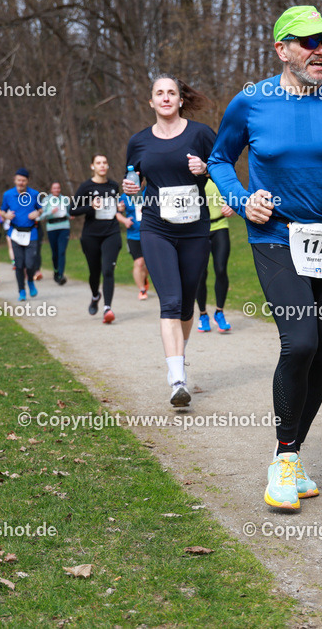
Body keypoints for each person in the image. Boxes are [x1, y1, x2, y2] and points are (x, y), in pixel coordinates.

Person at [209, 6, 322, 511]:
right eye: (308, 42)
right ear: (282, 49)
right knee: (300, 341)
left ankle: (292, 452)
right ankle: (284, 458)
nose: (320, 50)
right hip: (275, 236)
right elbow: (220, 159)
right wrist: (242, 199)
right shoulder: (251, 101)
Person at [122, 75, 216, 406]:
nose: (165, 97)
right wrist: (130, 187)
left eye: (171, 93)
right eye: (159, 93)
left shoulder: (201, 134)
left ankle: (179, 356)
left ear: (180, 100)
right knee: (171, 302)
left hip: (194, 228)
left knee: (187, 304)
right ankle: (177, 380)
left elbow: (224, 168)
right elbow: (132, 179)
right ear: (151, 102)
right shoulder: (139, 141)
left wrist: (205, 168)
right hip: (155, 227)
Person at [73, 156, 128, 322]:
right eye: (98, 163)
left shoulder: (113, 186)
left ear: (108, 165)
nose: (102, 165)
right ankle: (95, 295)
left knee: (108, 270)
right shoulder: (86, 187)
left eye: (104, 162)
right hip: (91, 235)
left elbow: (116, 208)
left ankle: (107, 309)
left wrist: (120, 208)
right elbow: (72, 210)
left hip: (111, 233)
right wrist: (90, 206)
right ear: (92, 166)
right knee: (94, 273)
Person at [196, 176, 235, 333]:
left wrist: (232, 205)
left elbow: (234, 194)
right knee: (200, 274)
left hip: (220, 226)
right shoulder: (192, 175)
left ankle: (219, 312)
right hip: (198, 230)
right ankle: (203, 315)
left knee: (221, 269)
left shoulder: (219, 173)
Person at [0, 168, 42, 301]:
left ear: (27, 181)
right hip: (16, 233)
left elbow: (42, 208)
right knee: (19, 264)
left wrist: (37, 213)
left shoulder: (34, 194)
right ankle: (22, 291)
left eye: (23, 180)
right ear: (15, 180)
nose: (21, 183)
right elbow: (2, 211)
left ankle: (30, 281)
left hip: (31, 233)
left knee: (30, 263)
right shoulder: (8, 195)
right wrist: (6, 215)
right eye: (19, 180)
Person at [118, 189, 149, 300]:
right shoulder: (124, 196)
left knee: (148, 264)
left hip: (150, 234)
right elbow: (117, 213)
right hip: (133, 235)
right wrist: (125, 220)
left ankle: (144, 278)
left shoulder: (150, 191)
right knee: (139, 262)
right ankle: (142, 290)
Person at [42, 181, 71, 285]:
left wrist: (70, 215)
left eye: (58, 188)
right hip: (52, 228)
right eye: (54, 188)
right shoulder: (46, 200)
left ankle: (61, 275)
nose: (57, 190)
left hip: (64, 227)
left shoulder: (65, 199)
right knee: (55, 253)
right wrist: (51, 212)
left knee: (62, 252)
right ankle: (56, 271)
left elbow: (67, 211)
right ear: (51, 189)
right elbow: (42, 216)